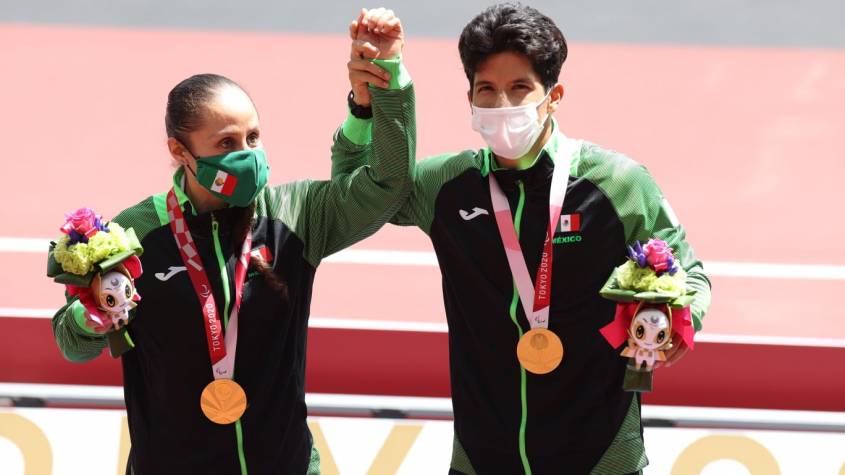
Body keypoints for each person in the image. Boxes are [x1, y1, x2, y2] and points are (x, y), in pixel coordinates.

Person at [339, 4, 711, 474]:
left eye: (519, 88)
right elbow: (352, 200)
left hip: (602, 460)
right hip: (482, 461)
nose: (501, 105)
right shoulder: (447, 187)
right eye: (487, 90)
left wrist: (679, 320)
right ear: (470, 98)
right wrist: (364, 108)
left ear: (553, 96)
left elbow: (689, 273)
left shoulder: (617, 183)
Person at [50, 9, 413, 474]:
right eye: (226, 143)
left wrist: (382, 89)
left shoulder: (295, 213)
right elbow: (71, 343)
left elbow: (386, 186)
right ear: (180, 151)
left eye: (253, 137)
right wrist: (91, 317)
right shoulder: (132, 236)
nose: (247, 155)